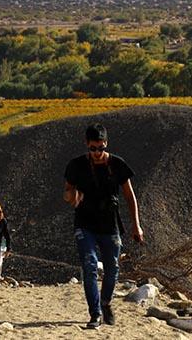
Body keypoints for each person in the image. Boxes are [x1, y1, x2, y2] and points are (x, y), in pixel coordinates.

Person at [63, 123, 144, 329]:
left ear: (106, 144)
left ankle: (106, 302)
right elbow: (67, 192)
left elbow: (129, 196)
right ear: (86, 145)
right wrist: (73, 197)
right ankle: (95, 314)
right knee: (90, 266)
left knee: (112, 268)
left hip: (110, 225)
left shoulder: (117, 165)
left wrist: (136, 225)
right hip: (85, 224)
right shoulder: (76, 165)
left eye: (101, 148)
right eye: (93, 148)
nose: (97, 152)